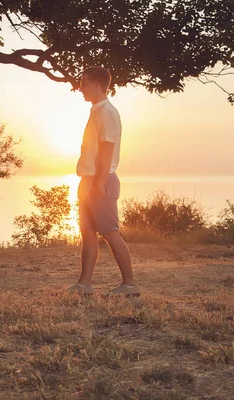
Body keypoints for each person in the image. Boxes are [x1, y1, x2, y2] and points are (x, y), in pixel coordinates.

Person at [69, 66, 140, 297]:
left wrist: (98, 184)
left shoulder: (107, 112)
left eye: (84, 82)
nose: (80, 87)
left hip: (102, 181)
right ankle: (84, 285)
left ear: (98, 85)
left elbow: (107, 150)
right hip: (88, 180)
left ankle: (129, 285)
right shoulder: (96, 111)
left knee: (110, 233)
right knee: (87, 233)